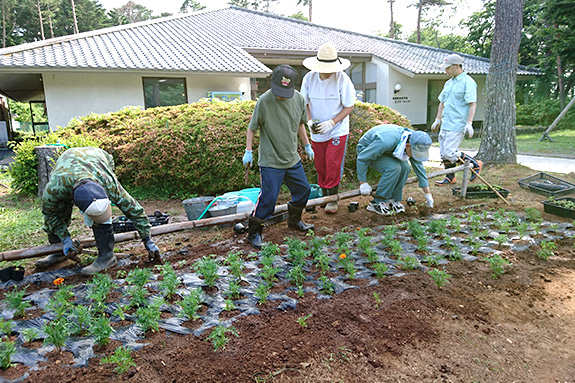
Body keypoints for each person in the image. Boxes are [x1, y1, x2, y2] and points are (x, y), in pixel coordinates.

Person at [36, 147, 161, 274]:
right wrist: (65, 239)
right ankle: (57, 252)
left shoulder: (109, 184)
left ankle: (107, 257)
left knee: (101, 219)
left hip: (99, 157)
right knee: (60, 213)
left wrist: (148, 240)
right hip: (67, 161)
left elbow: (135, 211)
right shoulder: (55, 189)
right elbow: (50, 215)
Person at [242, 64, 315, 249]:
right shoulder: (264, 101)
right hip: (270, 160)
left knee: (304, 190)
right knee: (269, 198)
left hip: (291, 158)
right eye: (279, 90)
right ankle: (254, 233)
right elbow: (252, 128)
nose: (281, 95)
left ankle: (294, 221)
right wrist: (248, 150)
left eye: (285, 91)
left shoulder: (298, 99)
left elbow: (300, 124)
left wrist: (307, 145)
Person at [301, 42, 356, 214]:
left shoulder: (342, 79)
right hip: (317, 130)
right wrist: (310, 121)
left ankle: (333, 198)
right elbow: (305, 103)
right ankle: (324, 197)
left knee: (333, 163)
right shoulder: (309, 78)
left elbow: (349, 106)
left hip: (337, 129)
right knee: (321, 165)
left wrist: (332, 122)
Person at [357, 124, 434, 215]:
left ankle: (393, 199)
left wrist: (428, 194)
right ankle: (377, 203)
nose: (414, 156)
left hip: (387, 151)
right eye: (414, 153)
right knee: (393, 168)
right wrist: (363, 183)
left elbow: (419, 168)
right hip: (367, 149)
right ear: (407, 146)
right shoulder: (385, 141)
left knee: (406, 168)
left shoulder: (415, 140)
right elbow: (362, 158)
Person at [431, 53, 483, 185]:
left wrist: (469, 123)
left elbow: (472, 103)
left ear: (456, 66)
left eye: (448, 68)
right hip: (446, 122)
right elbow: (442, 102)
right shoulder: (448, 83)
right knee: (443, 153)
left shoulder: (468, 82)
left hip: (458, 123)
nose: (445, 70)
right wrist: (437, 119)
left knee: (450, 152)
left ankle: (475, 163)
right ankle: (450, 177)